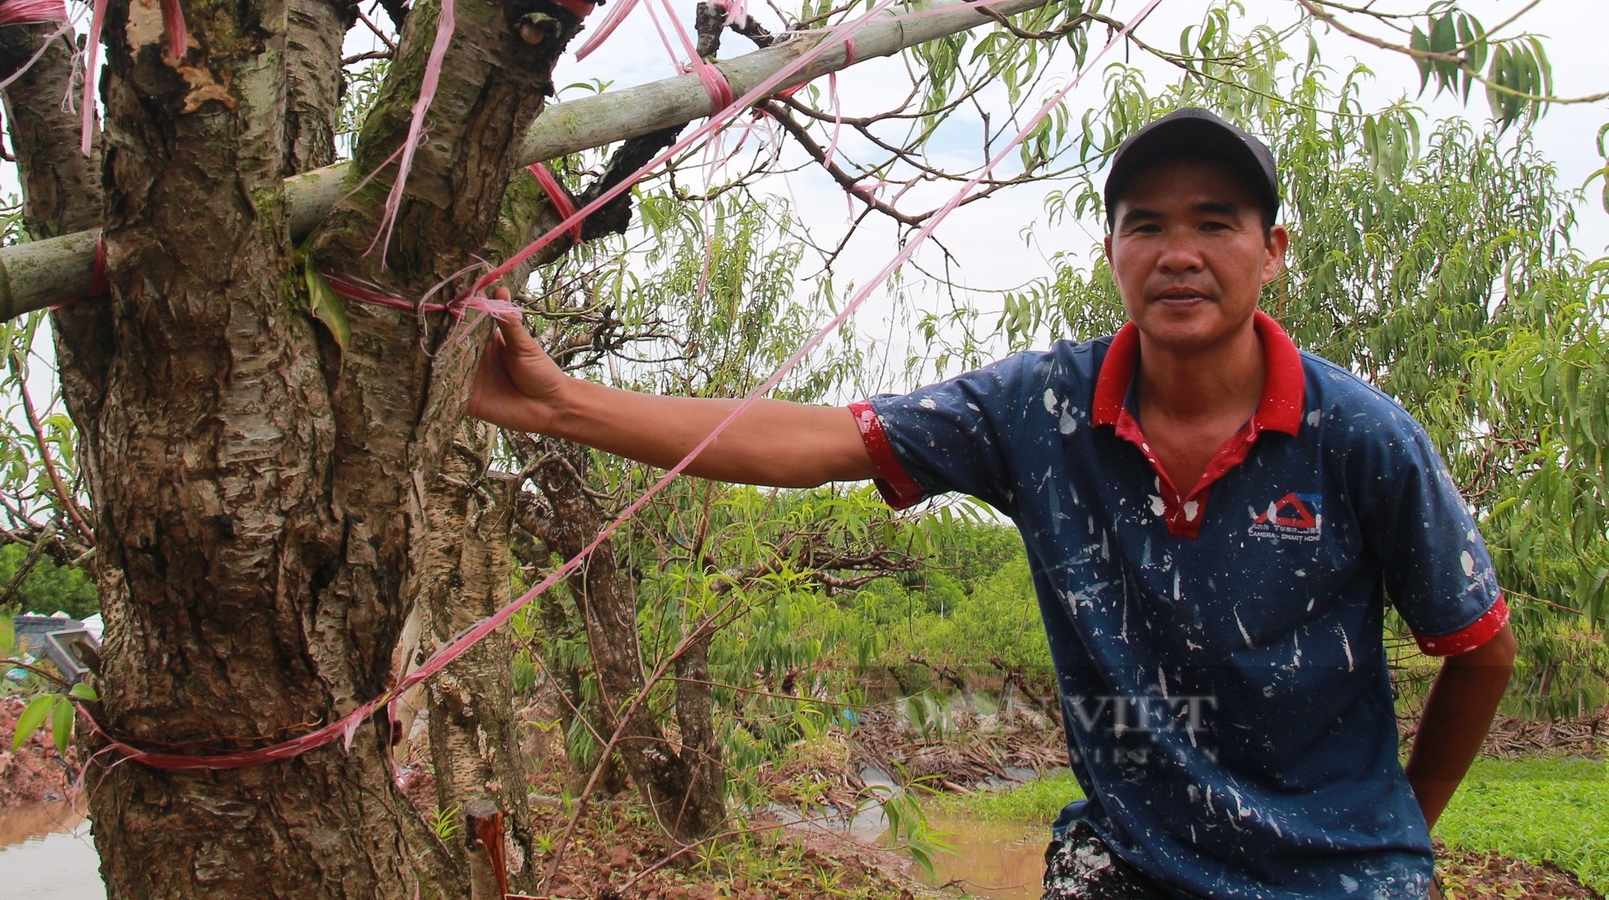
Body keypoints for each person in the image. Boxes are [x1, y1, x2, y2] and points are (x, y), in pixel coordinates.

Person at [468, 107, 1516, 900]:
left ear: (1270, 249)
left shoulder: (1359, 437)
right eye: (1143, 223)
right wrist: (561, 401)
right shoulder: (1042, 408)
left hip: (1340, 867)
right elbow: (828, 439)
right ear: (1109, 251)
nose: (1177, 250)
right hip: (1132, 860)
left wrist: (1397, 827)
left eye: (1215, 222)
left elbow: (1476, 647)